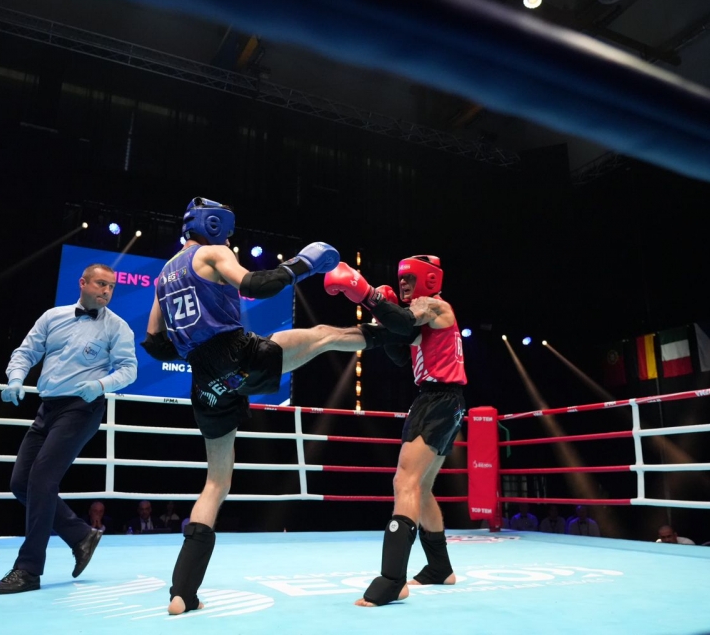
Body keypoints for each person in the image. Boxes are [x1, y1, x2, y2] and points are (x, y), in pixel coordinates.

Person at [140, 197, 407, 615]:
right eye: (227, 231)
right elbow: (254, 285)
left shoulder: (163, 276)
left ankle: (182, 593)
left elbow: (154, 343)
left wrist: (197, 344)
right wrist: (305, 263)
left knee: (215, 483)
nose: (229, 239)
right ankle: (399, 332)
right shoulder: (211, 254)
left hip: (205, 383)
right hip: (238, 355)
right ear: (214, 226)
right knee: (323, 336)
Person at [0, 263, 137, 595]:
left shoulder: (118, 327)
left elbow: (129, 370)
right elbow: (26, 352)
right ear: (83, 283)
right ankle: (81, 535)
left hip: (82, 408)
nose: (107, 291)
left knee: (42, 478)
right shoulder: (53, 317)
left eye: (111, 286)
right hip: (47, 408)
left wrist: (100, 384)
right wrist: (15, 379)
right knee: (21, 483)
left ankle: (28, 570)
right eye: (101, 284)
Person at [323, 255, 466, 608]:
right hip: (444, 401)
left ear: (428, 279)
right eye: (400, 278)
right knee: (422, 486)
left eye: (409, 278)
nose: (402, 283)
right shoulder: (423, 317)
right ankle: (440, 567)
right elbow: (401, 353)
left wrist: (367, 294)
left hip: (437, 401)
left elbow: (402, 322)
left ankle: (392, 580)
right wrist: (379, 311)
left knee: (404, 481)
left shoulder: (432, 306)